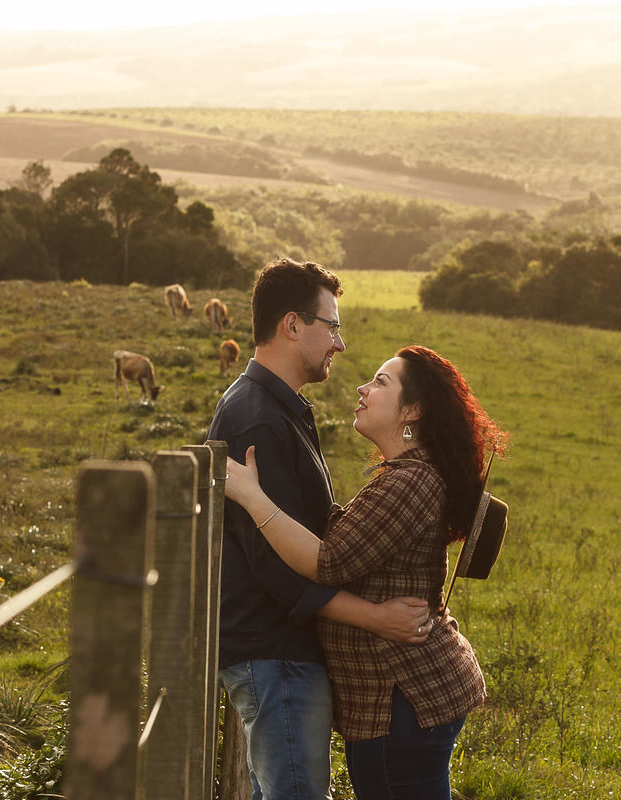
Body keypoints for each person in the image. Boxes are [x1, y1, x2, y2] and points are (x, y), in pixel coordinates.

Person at [224, 344, 504, 800]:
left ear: (411, 410)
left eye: (380, 382)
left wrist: (252, 497)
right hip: (397, 700)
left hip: (402, 698)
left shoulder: (410, 482)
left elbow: (326, 562)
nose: (362, 387)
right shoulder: (404, 476)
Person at [209, 258, 434, 800]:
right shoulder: (259, 418)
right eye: (331, 326)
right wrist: (375, 617)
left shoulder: (280, 409)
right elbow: (276, 568)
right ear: (292, 325)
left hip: (282, 654)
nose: (340, 343)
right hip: (276, 652)